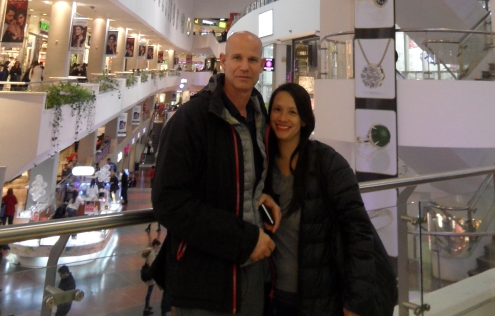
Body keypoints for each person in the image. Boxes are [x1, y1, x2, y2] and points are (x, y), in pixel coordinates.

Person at [153, 30, 281, 316]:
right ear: (223, 61)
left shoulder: (259, 117)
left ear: (262, 66)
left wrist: (263, 196)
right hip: (202, 282)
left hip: (252, 274)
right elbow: (168, 202)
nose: (244, 66)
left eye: (252, 60)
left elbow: (245, 179)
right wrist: (243, 240)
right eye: (237, 58)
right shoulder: (190, 120)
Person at [265, 83, 397, 316]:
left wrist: (356, 301)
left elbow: (358, 232)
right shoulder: (264, 166)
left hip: (322, 301)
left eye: (292, 112)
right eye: (277, 110)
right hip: (274, 298)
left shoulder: (327, 163)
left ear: (304, 120)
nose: (282, 118)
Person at [141, 238, 161, 314]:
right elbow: (152, 265)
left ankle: (147, 306)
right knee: (149, 292)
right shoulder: (152, 254)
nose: (159, 248)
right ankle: (146, 309)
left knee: (149, 291)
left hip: (148, 273)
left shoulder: (150, 250)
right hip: (150, 276)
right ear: (155, 245)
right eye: (158, 246)